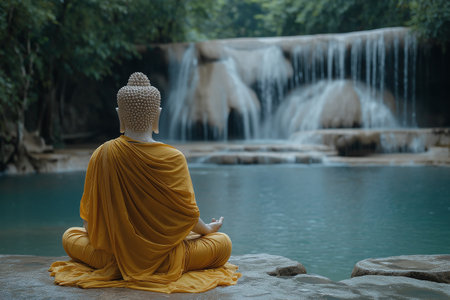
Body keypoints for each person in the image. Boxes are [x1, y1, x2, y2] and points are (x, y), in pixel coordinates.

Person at [49, 72, 241, 293]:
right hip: (167, 258)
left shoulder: (102, 154)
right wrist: (207, 229)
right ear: (157, 116)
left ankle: (124, 264)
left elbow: (89, 225)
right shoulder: (173, 158)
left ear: (119, 115)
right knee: (222, 243)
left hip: (115, 257)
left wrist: (121, 241)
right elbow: (188, 216)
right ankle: (153, 263)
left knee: (70, 236)